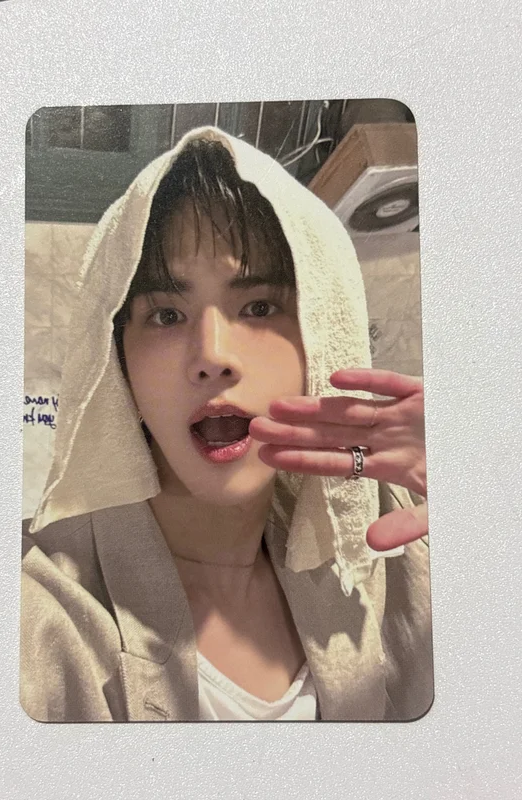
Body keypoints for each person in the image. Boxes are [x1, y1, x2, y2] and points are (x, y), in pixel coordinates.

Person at [21, 128, 432, 722]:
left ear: (323, 339)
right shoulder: (35, 611)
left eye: (259, 307)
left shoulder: (392, 539)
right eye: (167, 315)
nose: (213, 355)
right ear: (118, 368)